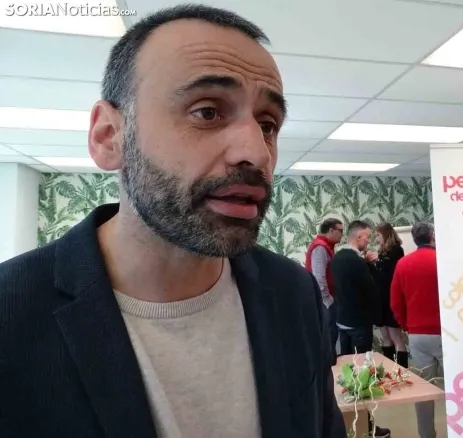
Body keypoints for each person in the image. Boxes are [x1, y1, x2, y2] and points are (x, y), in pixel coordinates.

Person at [0, 5, 345, 438]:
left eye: (267, 124)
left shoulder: (294, 293)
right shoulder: (11, 316)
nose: (257, 153)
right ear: (109, 137)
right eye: (207, 112)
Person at [330, 220, 390, 438]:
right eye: (367, 236)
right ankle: (369, 427)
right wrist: (372, 265)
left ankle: (349, 426)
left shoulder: (336, 258)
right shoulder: (357, 262)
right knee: (362, 378)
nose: (369, 240)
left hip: (342, 321)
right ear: (358, 237)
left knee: (346, 376)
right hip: (358, 324)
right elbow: (372, 290)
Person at [390, 222, 442, 438]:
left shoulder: (403, 264)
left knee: (423, 391)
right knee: (458, 385)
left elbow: (395, 302)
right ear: (432, 236)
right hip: (446, 333)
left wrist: (406, 325)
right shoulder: (442, 260)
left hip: (418, 334)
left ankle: (426, 434)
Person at [305, 218, 343, 362]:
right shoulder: (320, 248)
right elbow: (319, 277)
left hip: (324, 301)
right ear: (331, 230)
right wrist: (329, 301)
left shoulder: (325, 246)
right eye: (340, 231)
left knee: (330, 339)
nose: (342, 234)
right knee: (328, 339)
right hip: (324, 302)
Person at [373, 223, 407, 368]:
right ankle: (389, 368)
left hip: (391, 298)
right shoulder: (382, 252)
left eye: (378, 235)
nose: (376, 239)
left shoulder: (396, 250)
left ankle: (402, 370)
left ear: (386, 234)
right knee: (385, 336)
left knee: (396, 337)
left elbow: (391, 269)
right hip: (381, 299)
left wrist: (377, 260)